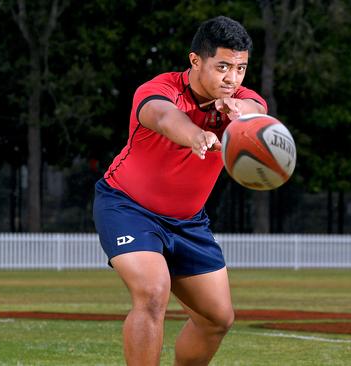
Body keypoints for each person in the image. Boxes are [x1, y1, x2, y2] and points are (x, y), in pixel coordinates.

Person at [92, 15, 267, 366]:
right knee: (153, 294)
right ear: (195, 61)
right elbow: (164, 117)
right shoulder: (159, 89)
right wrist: (196, 136)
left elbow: (258, 110)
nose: (232, 79)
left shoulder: (240, 99)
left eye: (241, 68)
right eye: (222, 67)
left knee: (218, 319)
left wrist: (241, 113)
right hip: (128, 208)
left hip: (189, 223)